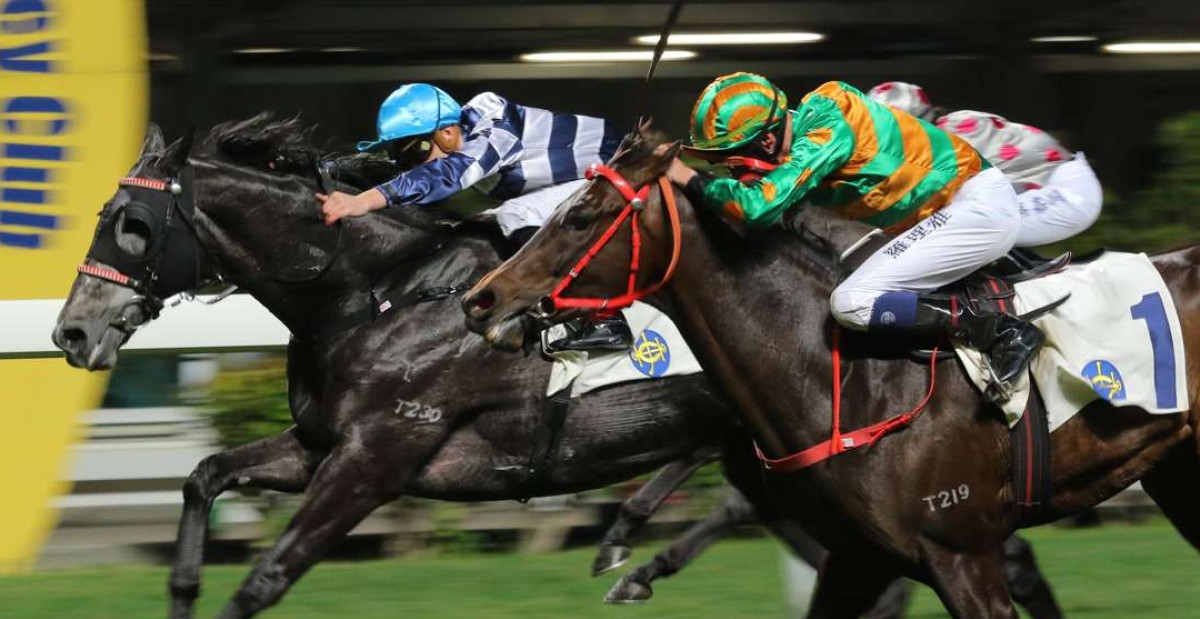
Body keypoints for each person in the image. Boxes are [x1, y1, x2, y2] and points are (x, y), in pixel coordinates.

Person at [663, 72, 1040, 395]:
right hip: (941, 217)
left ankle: (999, 332)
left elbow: (755, 208)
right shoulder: (796, 155)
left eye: (732, 161)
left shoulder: (827, 119)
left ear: (766, 141)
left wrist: (686, 176)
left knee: (852, 302)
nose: (735, 175)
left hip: (974, 207)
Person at [317, 82, 631, 352]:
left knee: (517, 213)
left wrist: (364, 201)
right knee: (494, 218)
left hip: (617, 172)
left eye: (416, 152)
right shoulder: (463, 138)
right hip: (586, 180)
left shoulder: (495, 130)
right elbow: (419, 176)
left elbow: (446, 175)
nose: (412, 164)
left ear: (448, 133)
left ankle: (605, 318)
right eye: (403, 155)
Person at [867, 81, 1102, 250]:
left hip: (1065, 191)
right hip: (1047, 184)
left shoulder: (953, 132)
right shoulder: (940, 133)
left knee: (954, 232)